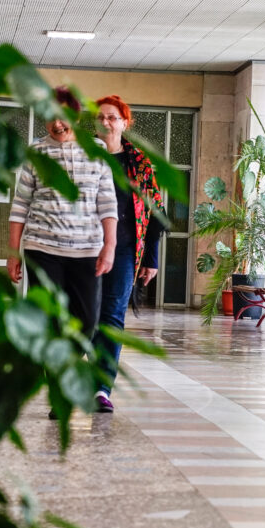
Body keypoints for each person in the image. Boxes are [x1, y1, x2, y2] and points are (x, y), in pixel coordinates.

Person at [7, 87, 118, 416]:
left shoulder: (96, 151)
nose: (57, 124)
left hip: (86, 249)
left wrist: (110, 245)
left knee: (87, 321)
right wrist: (13, 252)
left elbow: (107, 201)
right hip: (42, 248)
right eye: (50, 118)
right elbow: (20, 205)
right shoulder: (36, 152)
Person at [90, 94, 163, 413]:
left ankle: (101, 388)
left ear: (124, 123)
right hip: (82, 248)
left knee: (112, 316)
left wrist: (151, 259)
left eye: (112, 117)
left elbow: (155, 211)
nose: (106, 122)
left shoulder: (139, 163)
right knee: (84, 316)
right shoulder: (83, 156)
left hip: (123, 251)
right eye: (100, 117)